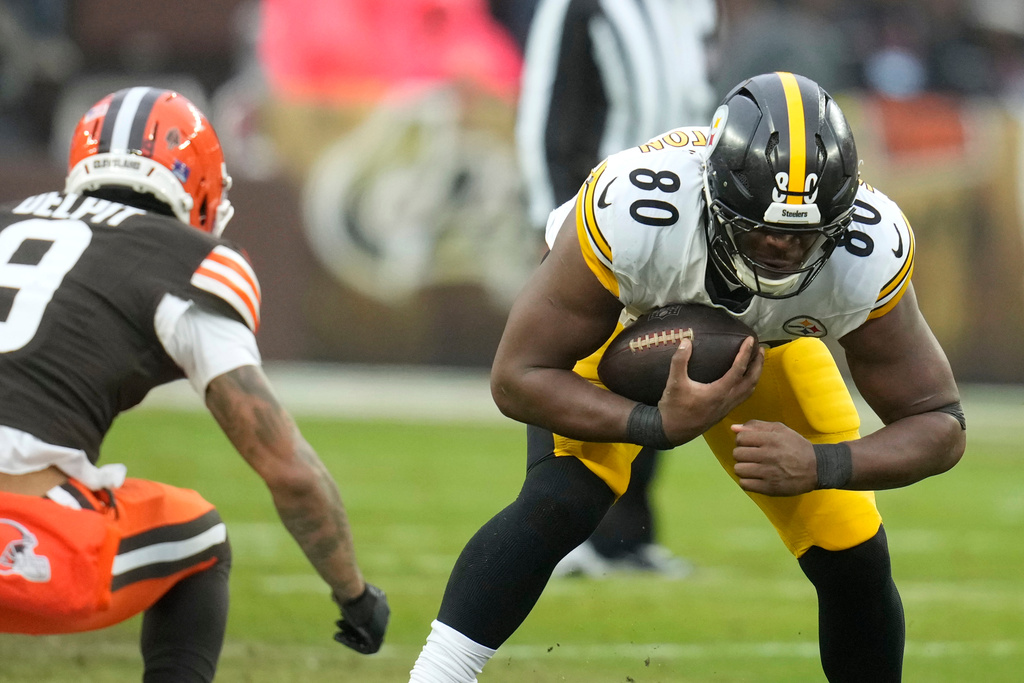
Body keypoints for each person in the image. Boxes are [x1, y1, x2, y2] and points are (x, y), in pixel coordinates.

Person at [409, 71, 966, 682]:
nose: (780, 247)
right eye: (763, 226)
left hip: (772, 346)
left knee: (851, 552)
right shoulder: (637, 212)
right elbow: (516, 377)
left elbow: (940, 421)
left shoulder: (869, 248)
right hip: (629, 320)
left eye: (804, 236)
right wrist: (650, 423)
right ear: (716, 194)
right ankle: (438, 676)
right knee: (564, 497)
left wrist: (822, 464)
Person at [0, 88, 389, 680]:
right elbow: (288, 471)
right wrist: (353, 593)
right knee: (200, 539)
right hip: (29, 543)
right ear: (198, 180)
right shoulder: (187, 261)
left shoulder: (8, 219)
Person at [514, 0, 718, 577]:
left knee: (661, 364)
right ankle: (566, 529)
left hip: (682, 222)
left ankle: (625, 537)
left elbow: (702, 107)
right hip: (599, 218)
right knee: (571, 361)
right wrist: (549, 214)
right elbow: (548, 108)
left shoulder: (698, 8)